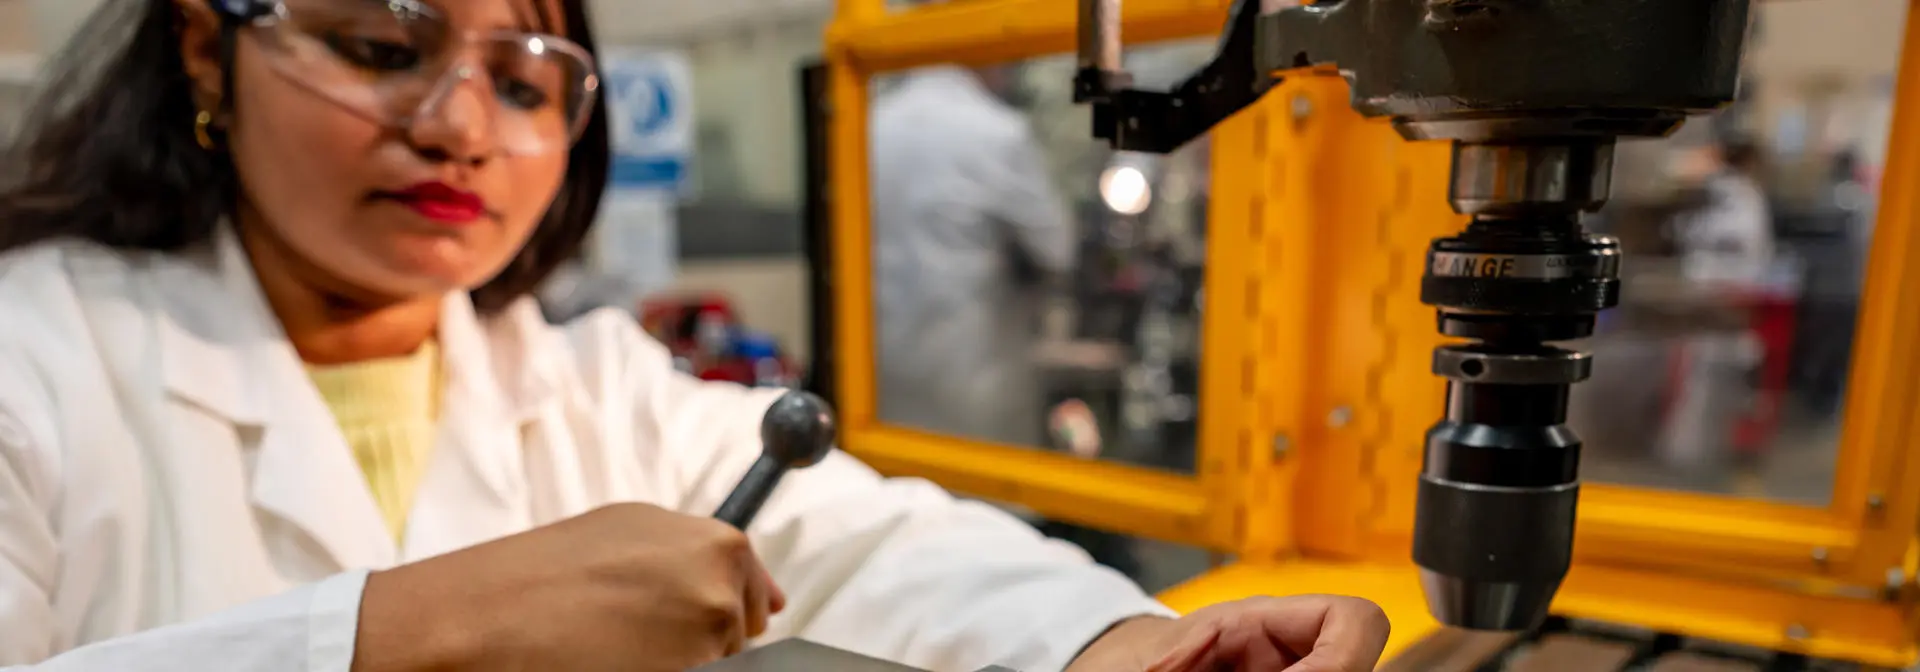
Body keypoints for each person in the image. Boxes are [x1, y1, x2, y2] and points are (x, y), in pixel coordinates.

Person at [0, 0, 1391, 671]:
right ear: (204, 50)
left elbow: (872, 545)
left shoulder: (589, 385)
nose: (460, 127)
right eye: (382, 43)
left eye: (528, 78)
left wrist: (1119, 650)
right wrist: (396, 634)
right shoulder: (36, 358)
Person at [870, 62, 1075, 448]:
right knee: (982, 501)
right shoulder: (998, 132)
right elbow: (1055, 250)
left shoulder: (870, 125)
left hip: (882, 378)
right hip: (973, 375)